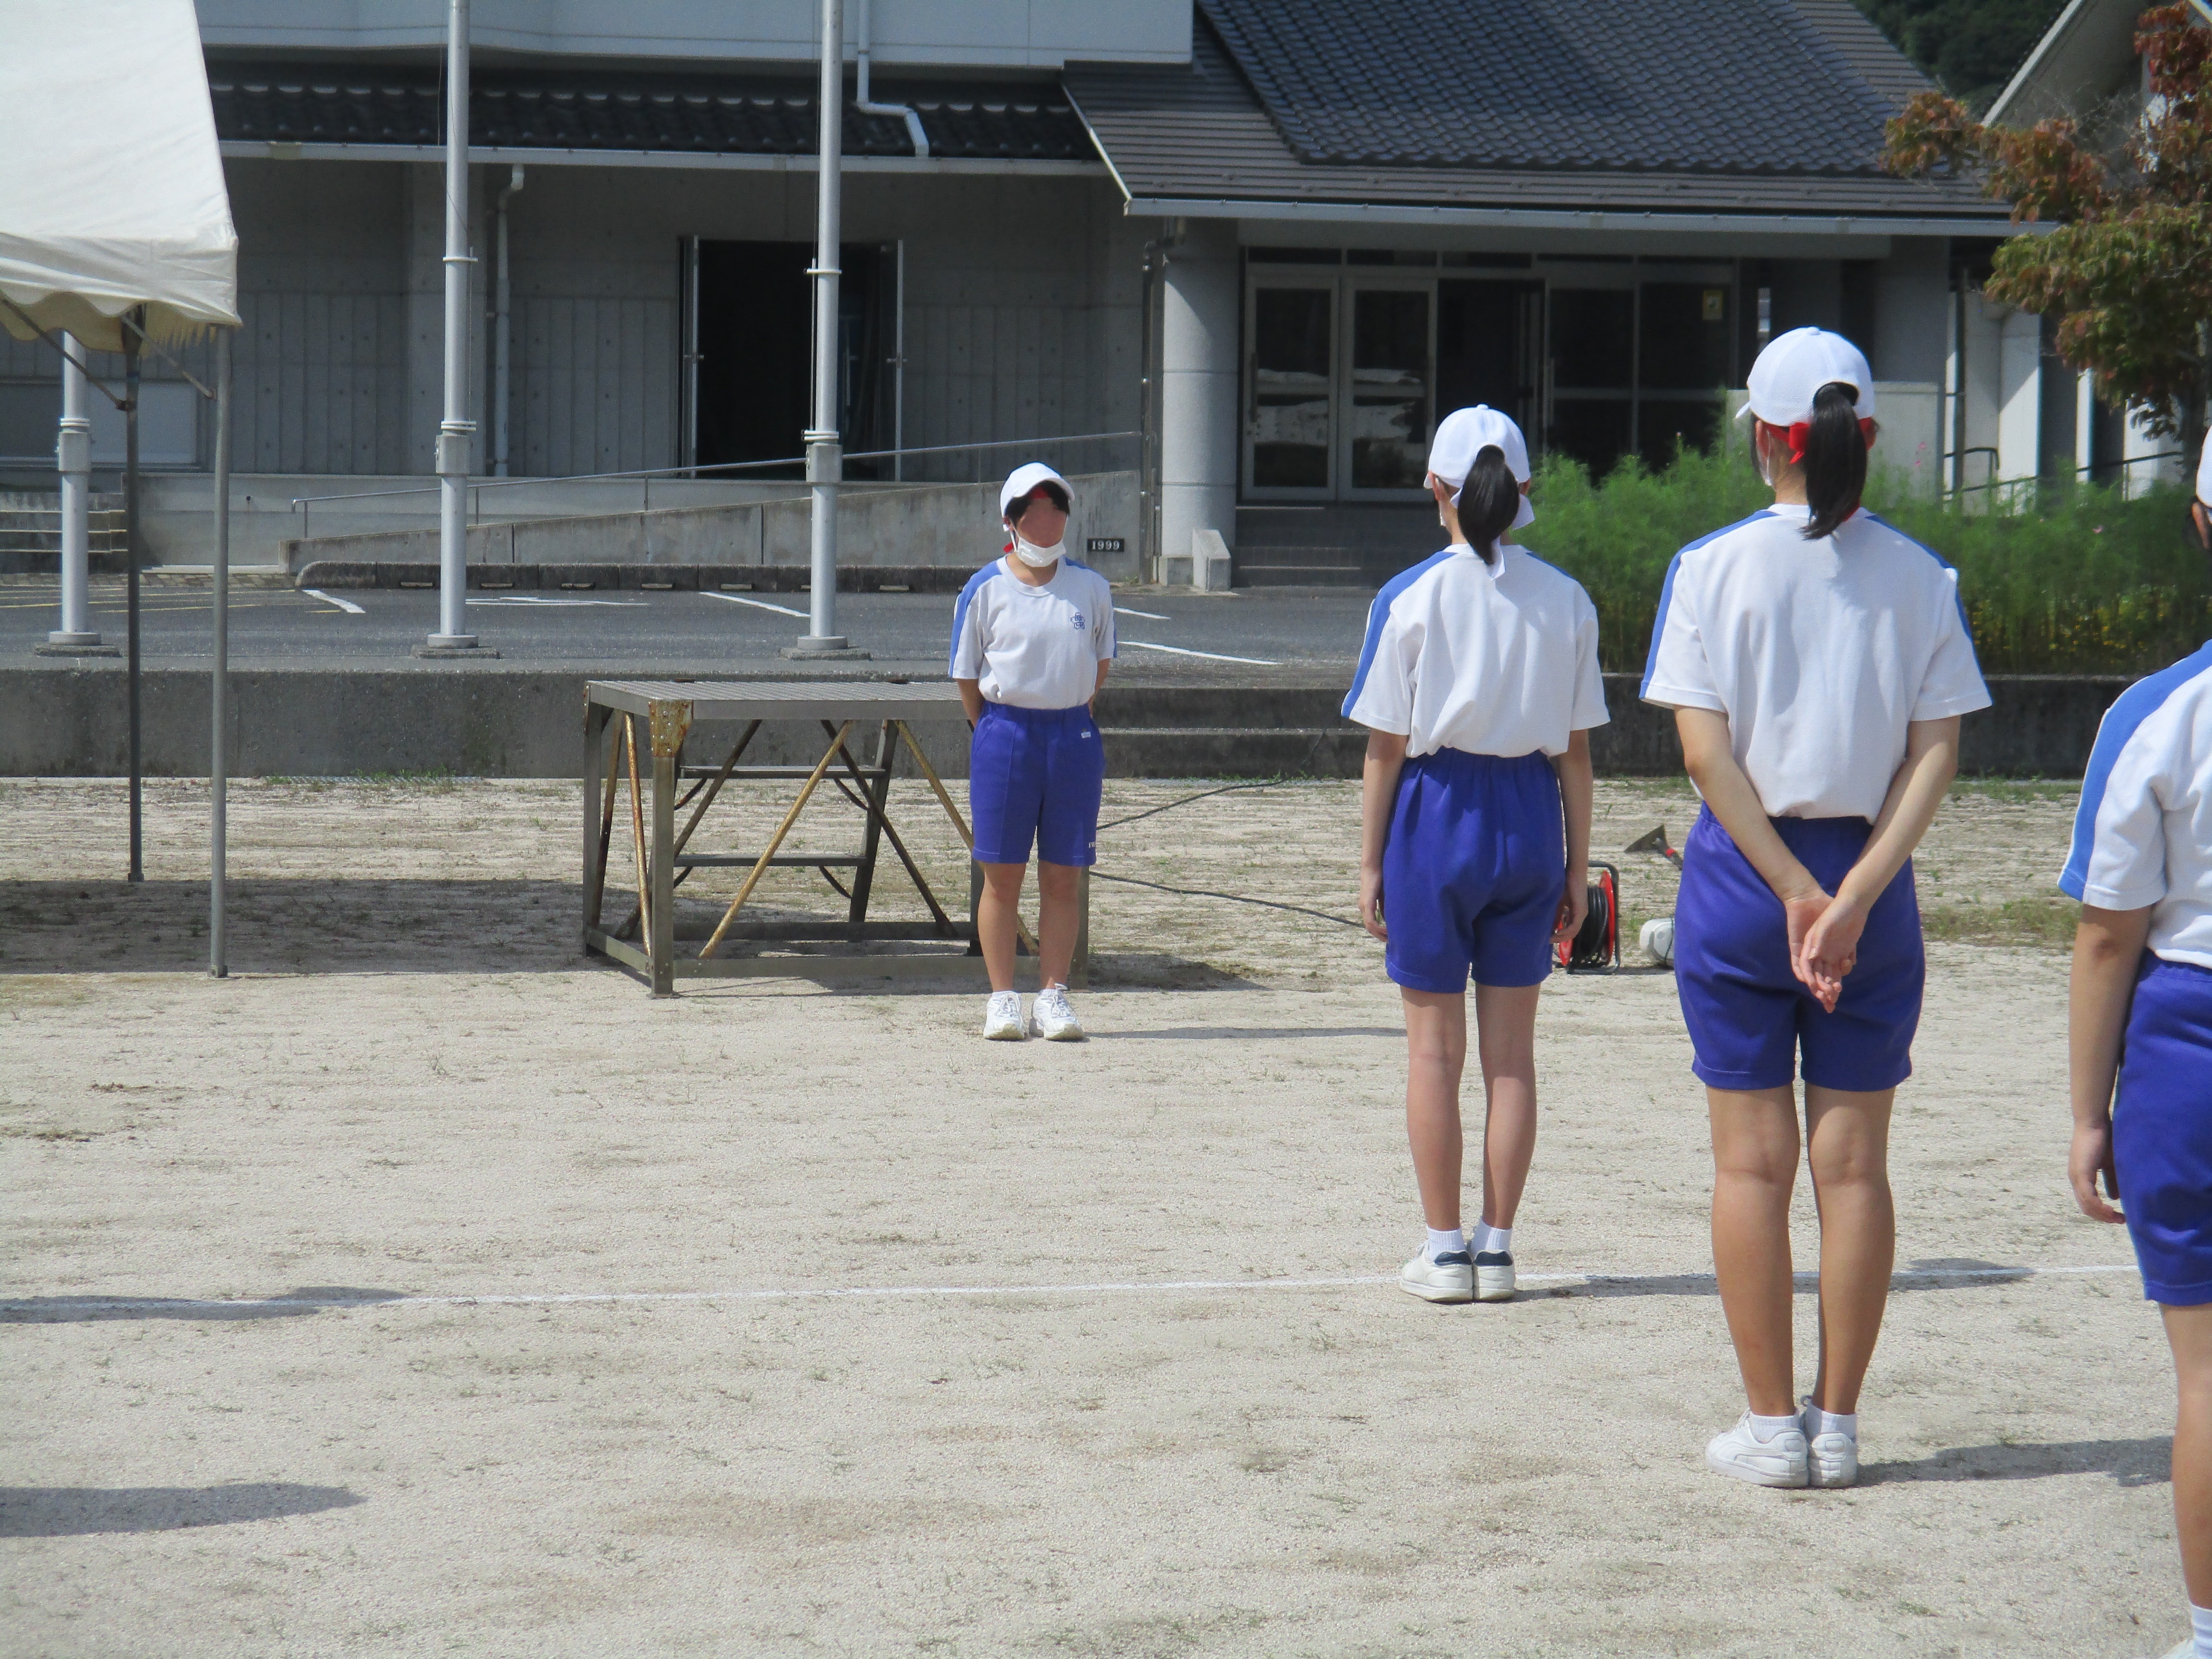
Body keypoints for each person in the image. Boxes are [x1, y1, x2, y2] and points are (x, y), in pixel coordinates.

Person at [1641, 326, 1991, 1489]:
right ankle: (1838, 1425)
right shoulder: (1921, 577)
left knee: (1752, 1168)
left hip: (1748, 884)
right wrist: (1851, 897)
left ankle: (1771, 1429)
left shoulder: (1710, 569)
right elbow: (1935, 754)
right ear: (1866, 438)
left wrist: (1794, 893)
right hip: (1871, 886)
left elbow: (1703, 755)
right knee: (1855, 1170)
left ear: (1764, 437)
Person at [1346, 406, 1607, 1307]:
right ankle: (1496, 1251)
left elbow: (1383, 748)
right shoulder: (1566, 600)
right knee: (1510, 1058)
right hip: (1531, 815)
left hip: (1435, 812)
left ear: (1436, 488)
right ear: (1525, 489)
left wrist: (1370, 863)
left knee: (1431, 1054)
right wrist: (1576, 870)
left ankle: (1442, 1247)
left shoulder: (1409, 596)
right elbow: (1575, 752)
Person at [2066, 432, 2212, 1659]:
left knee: (2209, 1374)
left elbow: (2108, 938)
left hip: (2189, 1038)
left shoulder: (2156, 714)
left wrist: (2085, 1111)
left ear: (2202, 522)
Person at [950, 462, 1115, 1041]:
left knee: (1064, 875)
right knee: (1002, 877)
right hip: (1005, 734)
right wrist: (992, 730)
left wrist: (1070, 707)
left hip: (1072, 737)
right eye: (1033, 515)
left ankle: (1053, 994)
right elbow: (967, 675)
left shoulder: (1091, 588)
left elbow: (1100, 663)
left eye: (1055, 513)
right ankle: (1001, 998)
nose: (1046, 525)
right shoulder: (985, 588)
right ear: (1011, 522)